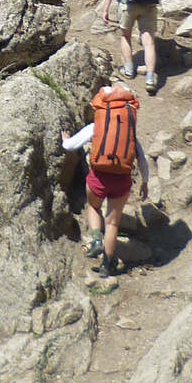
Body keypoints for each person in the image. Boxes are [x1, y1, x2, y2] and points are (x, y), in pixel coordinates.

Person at [62, 80, 150, 278]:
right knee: (113, 223)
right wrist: (145, 182)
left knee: (93, 207)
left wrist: (65, 139)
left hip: (99, 177)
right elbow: (142, 160)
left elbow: (70, 146)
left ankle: (95, 238)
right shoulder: (129, 132)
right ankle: (106, 266)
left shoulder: (98, 125)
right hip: (122, 180)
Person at [101, 0, 166, 93]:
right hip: (149, 5)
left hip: (128, 4)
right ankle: (150, 78)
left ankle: (129, 69)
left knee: (126, 36)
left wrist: (105, 10)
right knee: (149, 43)